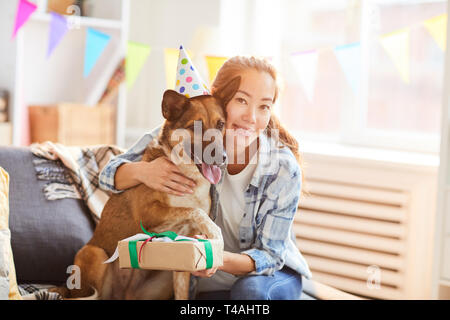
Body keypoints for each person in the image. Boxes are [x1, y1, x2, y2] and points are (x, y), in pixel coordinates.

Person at [99, 56, 312, 300]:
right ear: (220, 100)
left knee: (249, 293)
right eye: (242, 100)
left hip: (264, 274)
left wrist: (211, 256)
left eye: (264, 106)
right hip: (205, 276)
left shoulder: (281, 168)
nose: (251, 117)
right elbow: (106, 174)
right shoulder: (187, 133)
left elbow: (271, 256)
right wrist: (143, 171)